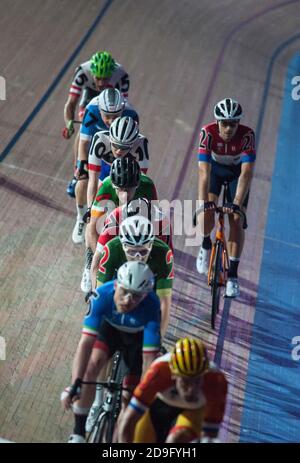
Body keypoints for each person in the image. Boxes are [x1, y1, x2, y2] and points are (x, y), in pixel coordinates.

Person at [61, 261, 161, 443]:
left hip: (137, 340)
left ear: (145, 296)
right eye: (124, 292)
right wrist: (76, 383)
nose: (128, 300)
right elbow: (85, 344)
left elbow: (149, 359)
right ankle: (78, 431)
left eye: (136, 296)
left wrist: (142, 398)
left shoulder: (152, 307)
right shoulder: (101, 296)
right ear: (116, 285)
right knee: (92, 366)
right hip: (109, 331)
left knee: (130, 397)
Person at [196, 98, 256, 297]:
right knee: (206, 212)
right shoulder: (208, 133)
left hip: (236, 175)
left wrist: (237, 204)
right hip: (215, 172)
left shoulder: (247, 135)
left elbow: (246, 173)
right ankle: (205, 244)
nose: (229, 128)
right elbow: (203, 172)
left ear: (238, 123)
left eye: (233, 124)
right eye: (224, 123)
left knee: (236, 220)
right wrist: (203, 203)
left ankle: (232, 276)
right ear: (217, 122)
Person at [118, 337, 227, 443]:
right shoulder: (159, 371)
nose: (191, 389)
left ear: (205, 374)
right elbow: (128, 422)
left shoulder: (216, 381)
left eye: (197, 381)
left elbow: (209, 436)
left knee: (175, 440)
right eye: (185, 381)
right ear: (173, 375)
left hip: (192, 412)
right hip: (157, 407)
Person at [72, 90, 139, 244]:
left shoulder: (132, 115)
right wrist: (82, 165)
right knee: (82, 183)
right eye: (106, 116)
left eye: (115, 116)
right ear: (100, 110)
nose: (110, 120)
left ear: (122, 111)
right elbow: (83, 142)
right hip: (97, 151)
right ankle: (81, 218)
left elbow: (132, 146)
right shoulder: (92, 110)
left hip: (118, 153)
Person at [81, 157, 157, 293]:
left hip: (136, 219)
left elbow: (154, 225)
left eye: (129, 189)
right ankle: (88, 260)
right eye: (121, 189)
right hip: (110, 219)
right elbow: (93, 229)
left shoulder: (148, 186)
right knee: (92, 226)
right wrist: (100, 259)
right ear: (114, 186)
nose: (125, 195)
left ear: (138, 185)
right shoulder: (106, 186)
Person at [62, 51, 129, 197]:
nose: (100, 83)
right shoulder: (82, 72)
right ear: (92, 72)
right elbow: (71, 103)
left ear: (112, 74)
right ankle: (77, 173)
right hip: (90, 97)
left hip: (111, 100)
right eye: (98, 78)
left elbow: (123, 106)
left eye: (105, 79)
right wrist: (69, 124)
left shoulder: (122, 75)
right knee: (83, 131)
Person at [95, 215, 174, 336]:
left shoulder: (164, 254)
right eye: (132, 252)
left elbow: (165, 303)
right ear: (123, 246)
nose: (138, 257)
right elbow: (100, 294)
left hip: (147, 290)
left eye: (143, 252)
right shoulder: (111, 249)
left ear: (151, 246)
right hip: (119, 288)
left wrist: (159, 339)